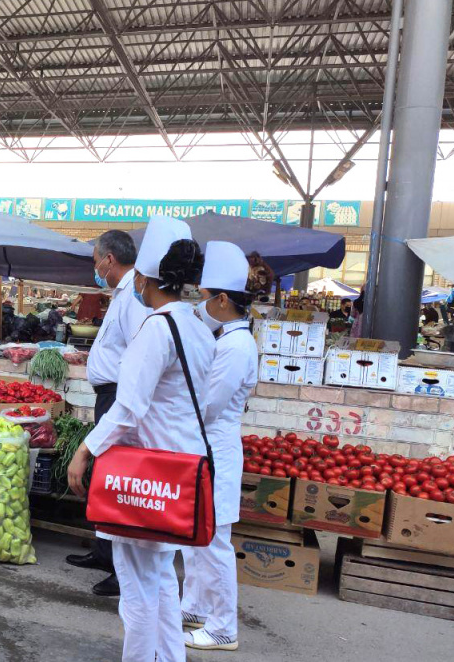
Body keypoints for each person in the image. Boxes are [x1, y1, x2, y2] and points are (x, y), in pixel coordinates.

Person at [67, 215, 212, 662]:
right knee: (162, 579)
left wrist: (84, 449)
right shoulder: (196, 327)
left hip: (148, 471)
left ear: (145, 277)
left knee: (136, 588)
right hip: (177, 470)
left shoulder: (157, 329)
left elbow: (128, 410)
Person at [180, 242, 267, 652]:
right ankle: (195, 608)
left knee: (214, 541)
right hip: (206, 448)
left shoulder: (235, 346)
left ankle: (222, 628)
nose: (199, 306)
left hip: (216, 448)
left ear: (222, 300)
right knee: (198, 534)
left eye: (203, 298)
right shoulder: (226, 338)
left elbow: (209, 404)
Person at [66, 230, 148, 597]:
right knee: (104, 475)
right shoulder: (120, 293)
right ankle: (102, 551)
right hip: (108, 394)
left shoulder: (133, 295)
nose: (95, 267)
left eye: (95, 259)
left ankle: (120, 568)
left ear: (109, 259)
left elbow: (138, 351)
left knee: (115, 476)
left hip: (118, 396)